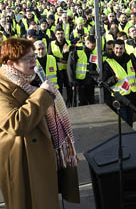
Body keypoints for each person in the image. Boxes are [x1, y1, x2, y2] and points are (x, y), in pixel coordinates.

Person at [0, 38, 79, 209]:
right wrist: (42, 94)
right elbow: (15, 123)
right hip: (22, 158)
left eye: (33, 56)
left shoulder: (31, 79)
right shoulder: (2, 86)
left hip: (44, 152)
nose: (34, 61)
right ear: (10, 63)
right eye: (27, 59)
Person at [103, 39, 136, 127]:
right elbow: (104, 83)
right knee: (123, 123)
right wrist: (113, 79)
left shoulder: (130, 59)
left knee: (130, 121)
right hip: (117, 98)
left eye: (121, 48)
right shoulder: (108, 62)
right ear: (113, 49)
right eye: (117, 48)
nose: (119, 51)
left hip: (131, 97)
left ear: (124, 49)